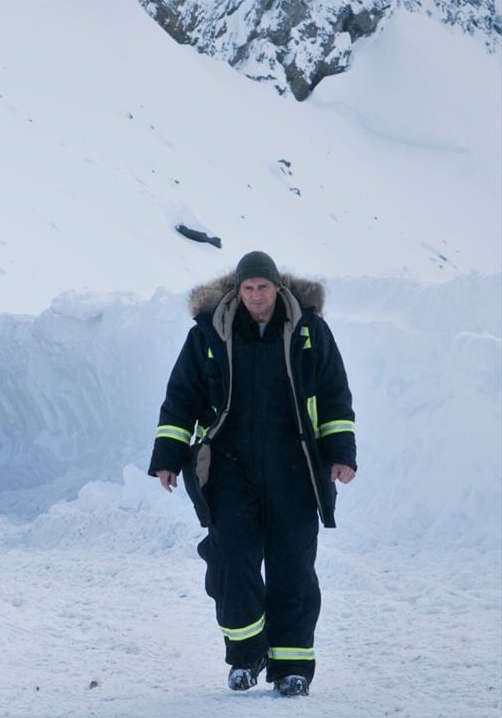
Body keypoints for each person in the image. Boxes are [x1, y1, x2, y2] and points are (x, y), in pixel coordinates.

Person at [148, 251, 357, 697]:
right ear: (237, 291)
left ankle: (292, 665)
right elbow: (182, 396)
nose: (256, 296)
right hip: (228, 465)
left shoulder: (308, 331)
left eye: (264, 287)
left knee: (293, 566)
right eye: (248, 289)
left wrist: (341, 453)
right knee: (230, 558)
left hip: (294, 466)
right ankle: (245, 655)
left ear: (278, 288)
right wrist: (168, 455)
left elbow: (335, 394)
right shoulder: (208, 334)